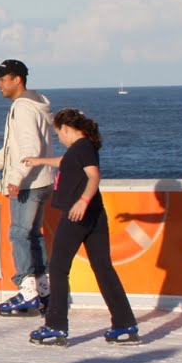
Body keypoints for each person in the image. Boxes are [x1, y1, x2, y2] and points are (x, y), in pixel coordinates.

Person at [20, 109, 139, 347]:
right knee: (103, 268)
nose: (59, 138)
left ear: (65, 127)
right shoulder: (82, 148)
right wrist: (39, 161)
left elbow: (94, 176)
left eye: (58, 133)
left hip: (78, 216)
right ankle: (125, 325)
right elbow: (66, 163)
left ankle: (55, 326)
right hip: (95, 216)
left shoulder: (82, 147)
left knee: (58, 268)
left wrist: (82, 201)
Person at [0, 59, 56, 316]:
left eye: (2, 79)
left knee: (20, 235)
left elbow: (30, 150)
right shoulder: (35, 104)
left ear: (17, 79)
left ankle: (27, 291)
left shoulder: (22, 108)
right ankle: (44, 290)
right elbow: (13, 149)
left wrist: (16, 179)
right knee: (33, 235)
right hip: (42, 181)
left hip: (29, 184)